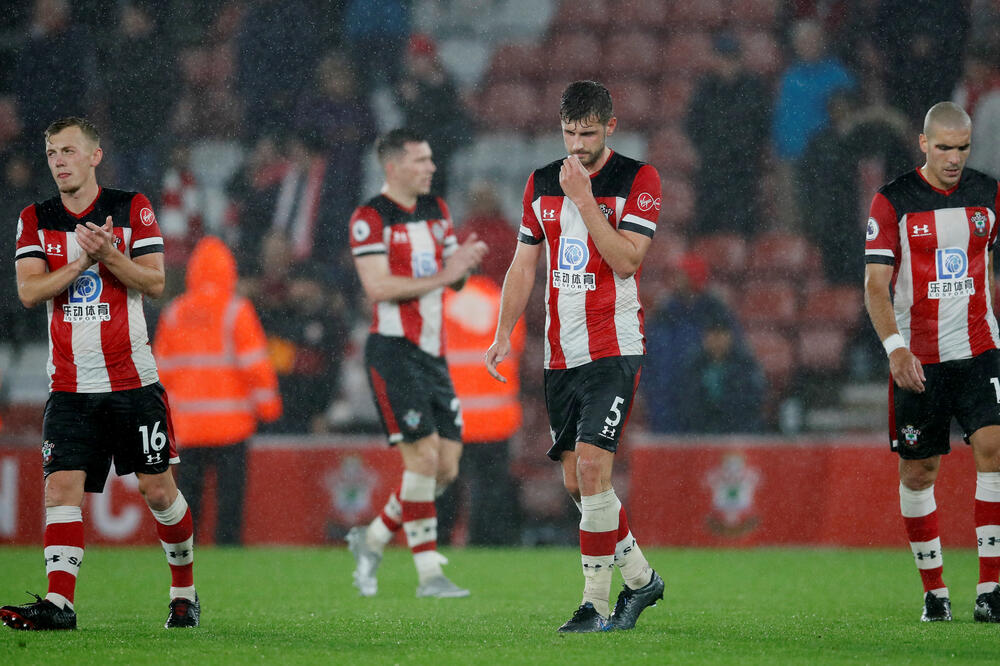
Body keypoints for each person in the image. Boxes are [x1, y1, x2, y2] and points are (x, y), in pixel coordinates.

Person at [1, 117, 199, 631]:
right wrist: (81, 265)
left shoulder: (131, 208)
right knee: (61, 489)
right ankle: (60, 604)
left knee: (159, 492)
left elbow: (155, 283)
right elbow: (29, 291)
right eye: (51, 153)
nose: (58, 161)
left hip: (133, 382)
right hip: (70, 387)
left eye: (68, 150)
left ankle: (184, 592)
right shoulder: (35, 218)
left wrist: (109, 253)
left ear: (95, 156)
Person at [486, 81, 664, 632]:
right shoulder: (541, 182)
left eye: (588, 133)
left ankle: (594, 605)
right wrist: (503, 331)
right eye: (568, 133)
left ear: (611, 126)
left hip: (614, 347)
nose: (577, 144)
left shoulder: (639, 179)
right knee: (577, 483)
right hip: (560, 354)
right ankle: (642, 580)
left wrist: (584, 201)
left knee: (591, 468)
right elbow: (523, 265)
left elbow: (628, 260)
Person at [864, 101, 1000, 623]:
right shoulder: (892, 201)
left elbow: (989, 264)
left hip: (980, 349)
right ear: (924, 144)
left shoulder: (988, 194)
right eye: (943, 147)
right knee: (920, 472)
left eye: (962, 148)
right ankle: (935, 592)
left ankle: (990, 589)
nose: (953, 158)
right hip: (919, 359)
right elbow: (875, 285)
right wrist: (895, 348)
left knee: (993, 447)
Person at [345, 128, 488, 598]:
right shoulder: (370, 218)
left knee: (444, 469)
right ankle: (429, 574)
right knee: (423, 457)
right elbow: (378, 287)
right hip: (393, 351)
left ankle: (372, 540)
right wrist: (446, 273)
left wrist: (462, 265)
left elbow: (453, 280)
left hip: (433, 354)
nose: (431, 167)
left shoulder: (437, 210)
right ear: (393, 167)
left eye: (430, 159)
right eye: (421, 160)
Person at [153, 236, 282, 545]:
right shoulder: (236, 311)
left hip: (188, 428)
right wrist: (269, 410)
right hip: (231, 427)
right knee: (230, 504)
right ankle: (227, 550)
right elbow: (255, 366)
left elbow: (159, 374)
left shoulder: (174, 313)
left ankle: (185, 554)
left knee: (188, 502)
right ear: (229, 271)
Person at [436, 274, 525, 546]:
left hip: (450, 420)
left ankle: (439, 544)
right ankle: (488, 545)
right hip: (495, 420)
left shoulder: (437, 304)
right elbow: (517, 346)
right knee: (491, 490)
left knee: (444, 490)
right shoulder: (501, 301)